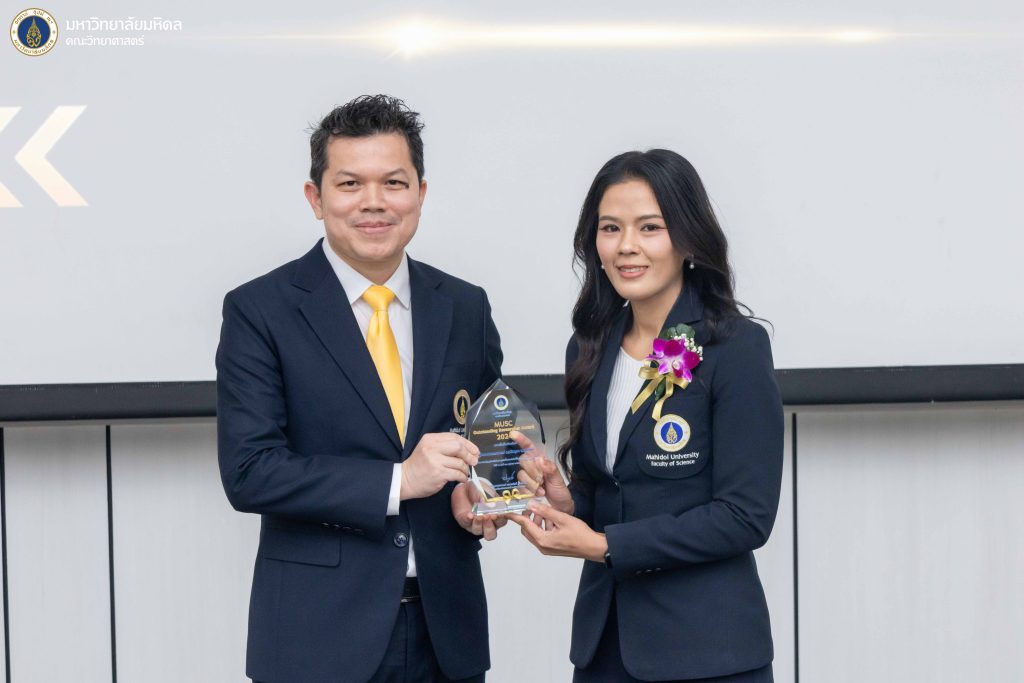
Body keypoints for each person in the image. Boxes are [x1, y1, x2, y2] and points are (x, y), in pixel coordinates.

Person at [216, 94, 504, 683]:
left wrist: (484, 493)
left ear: (421, 193)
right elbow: (250, 471)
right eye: (350, 184)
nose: (374, 201)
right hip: (318, 638)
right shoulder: (260, 310)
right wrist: (400, 481)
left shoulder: (465, 306)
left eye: (394, 182)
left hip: (447, 635)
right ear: (315, 198)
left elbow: (489, 437)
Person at [509, 149, 784, 682]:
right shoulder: (590, 347)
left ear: (688, 239)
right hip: (604, 650)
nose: (626, 246)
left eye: (650, 227)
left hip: (707, 654)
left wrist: (604, 546)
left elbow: (744, 516)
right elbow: (612, 491)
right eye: (610, 228)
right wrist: (569, 501)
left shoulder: (734, 348)